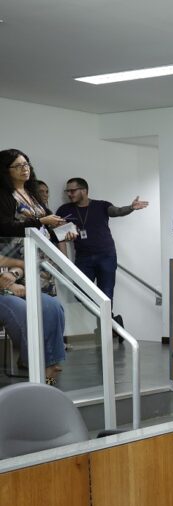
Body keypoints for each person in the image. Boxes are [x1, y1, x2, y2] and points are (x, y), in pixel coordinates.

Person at [0, 149, 69, 384]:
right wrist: (39, 221)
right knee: (26, 311)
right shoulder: (4, 196)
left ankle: (48, 363)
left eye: (26, 164)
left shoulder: (32, 193)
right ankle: (39, 365)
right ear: (5, 171)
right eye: (18, 165)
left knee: (52, 308)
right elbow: (5, 227)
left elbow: (48, 225)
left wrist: (64, 231)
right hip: (14, 263)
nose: (25, 168)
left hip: (37, 263)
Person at [55, 177, 149, 304]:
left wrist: (131, 207)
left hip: (106, 256)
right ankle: (102, 312)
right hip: (83, 258)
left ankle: (106, 315)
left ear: (84, 190)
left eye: (73, 191)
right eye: (67, 191)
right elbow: (60, 236)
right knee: (79, 293)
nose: (69, 194)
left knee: (107, 294)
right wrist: (64, 260)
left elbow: (117, 211)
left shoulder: (101, 205)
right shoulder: (64, 210)